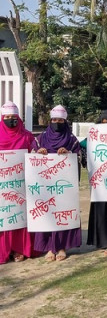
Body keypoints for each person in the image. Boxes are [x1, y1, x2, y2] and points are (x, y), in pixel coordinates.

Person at [34, 105, 82, 261]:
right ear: (50, 120)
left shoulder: (72, 139)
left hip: (63, 186)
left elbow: (79, 158)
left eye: (60, 120)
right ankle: (49, 247)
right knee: (47, 212)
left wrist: (68, 154)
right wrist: (38, 153)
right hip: (45, 185)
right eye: (54, 119)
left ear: (65, 121)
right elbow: (31, 156)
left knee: (62, 213)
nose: (57, 122)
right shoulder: (41, 138)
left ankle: (61, 246)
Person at [0, 101, 37, 264]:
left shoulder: (26, 135)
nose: (10, 119)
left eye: (13, 117)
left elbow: (34, 154)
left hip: (21, 185)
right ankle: (3, 249)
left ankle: (18, 248)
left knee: (18, 217)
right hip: (2, 186)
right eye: (7, 117)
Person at [86, 109, 107, 256]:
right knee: (101, 210)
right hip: (100, 183)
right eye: (102, 123)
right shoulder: (93, 138)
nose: (105, 126)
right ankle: (102, 241)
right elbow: (79, 145)